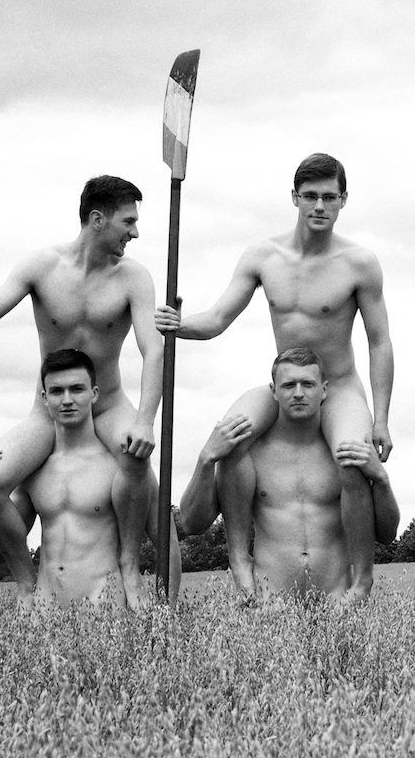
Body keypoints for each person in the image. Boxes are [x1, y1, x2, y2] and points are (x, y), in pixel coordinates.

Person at [155, 152, 394, 605]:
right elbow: (218, 318)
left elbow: (379, 342)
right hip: (288, 381)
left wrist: (380, 418)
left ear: (344, 199)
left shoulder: (360, 263)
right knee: (232, 434)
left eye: (329, 197)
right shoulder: (263, 256)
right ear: (294, 197)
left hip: (339, 385)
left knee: (351, 457)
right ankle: (239, 560)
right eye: (310, 196)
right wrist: (178, 325)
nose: (319, 206)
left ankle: (361, 579)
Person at [0, 175, 167, 603]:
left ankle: (141, 579)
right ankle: (27, 586)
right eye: (128, 222)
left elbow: (153, 351)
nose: (136, 233)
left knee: (142, 472)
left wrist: (145, 421)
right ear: (97, 219)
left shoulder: (135, 277)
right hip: (47, 409)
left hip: (109, 405)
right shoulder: (40, 266)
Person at [179, 348, 399, 604]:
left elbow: (387, 534)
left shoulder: (345, 454)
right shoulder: (249, 455)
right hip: (270, 604)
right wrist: (206, 459)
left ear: (324, 390)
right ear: (273, 391)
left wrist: (381, 479)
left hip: (339, 603)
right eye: (288, 385)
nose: (298, 393)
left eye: (308, 384)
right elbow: (192, 524)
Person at [0, 350, 138, 610]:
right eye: (57, 391)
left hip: (104, 608)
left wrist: (166, 612)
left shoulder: (118, 466)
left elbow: (164, 536)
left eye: (77, 389)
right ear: (45, 398)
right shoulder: (34, 474)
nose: (67, 400)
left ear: (94, 394)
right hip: (45, 610)